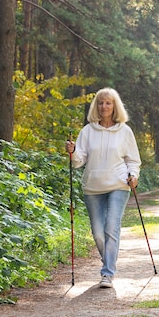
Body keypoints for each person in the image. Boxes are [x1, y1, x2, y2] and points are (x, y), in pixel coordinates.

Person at [65, 87, 141, 289]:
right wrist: (72, 152)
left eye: (108, 103)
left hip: (118, 185)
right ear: (96, 106)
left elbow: (133, 160)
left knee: (111, 228)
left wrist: (134, 176)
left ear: (115, 106)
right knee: (98, 232)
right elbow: (78, 161)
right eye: (100, 103)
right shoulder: (87, 131)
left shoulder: (125, 131)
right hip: (93, 187)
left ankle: (107, 272)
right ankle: (108, 259)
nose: (104, 106)